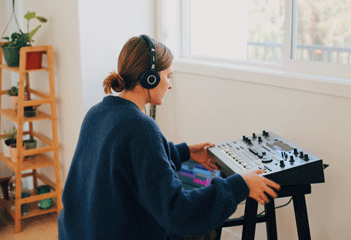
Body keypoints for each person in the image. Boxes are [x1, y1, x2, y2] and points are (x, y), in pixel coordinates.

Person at [57, 35, 281, 240]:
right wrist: (239, 185)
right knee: (200, 228)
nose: (170, 84)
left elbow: (127, 161)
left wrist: (183, 152)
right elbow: (178, 212)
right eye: (168, 76)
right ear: (151, 78)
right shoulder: (141, 127)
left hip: (78, 232)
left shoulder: (98, 112)